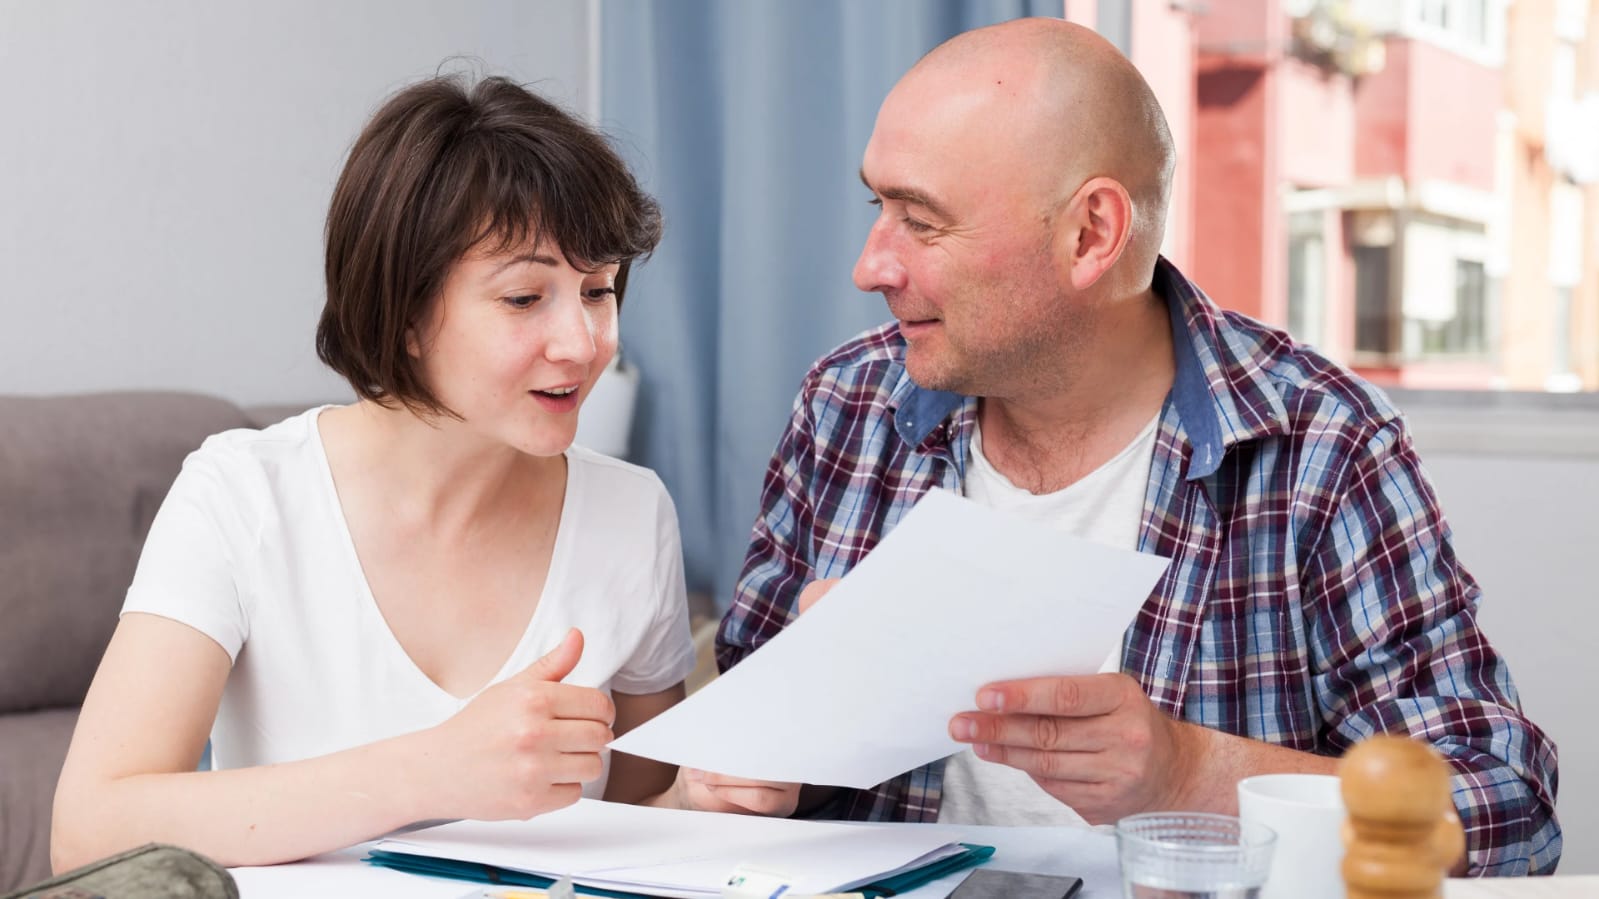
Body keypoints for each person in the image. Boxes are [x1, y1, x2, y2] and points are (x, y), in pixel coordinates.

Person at [696, 18, 1560, 876]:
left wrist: (1184, 772)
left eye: (920, 222)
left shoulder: (1318, 446)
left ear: (1090, 235)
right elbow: (741, 748)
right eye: (875, 206)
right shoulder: (846, 403)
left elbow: (1507, 813)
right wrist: (776, 760)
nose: (869, 264)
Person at [51, 74, 694, 870]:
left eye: (598, 291)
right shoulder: (242, 495)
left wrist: (705, 797)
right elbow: (90, 827)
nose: (585, 341)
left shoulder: (632, 513)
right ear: (407, 312)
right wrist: (433, 769)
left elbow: (640, 814)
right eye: (526, 297)